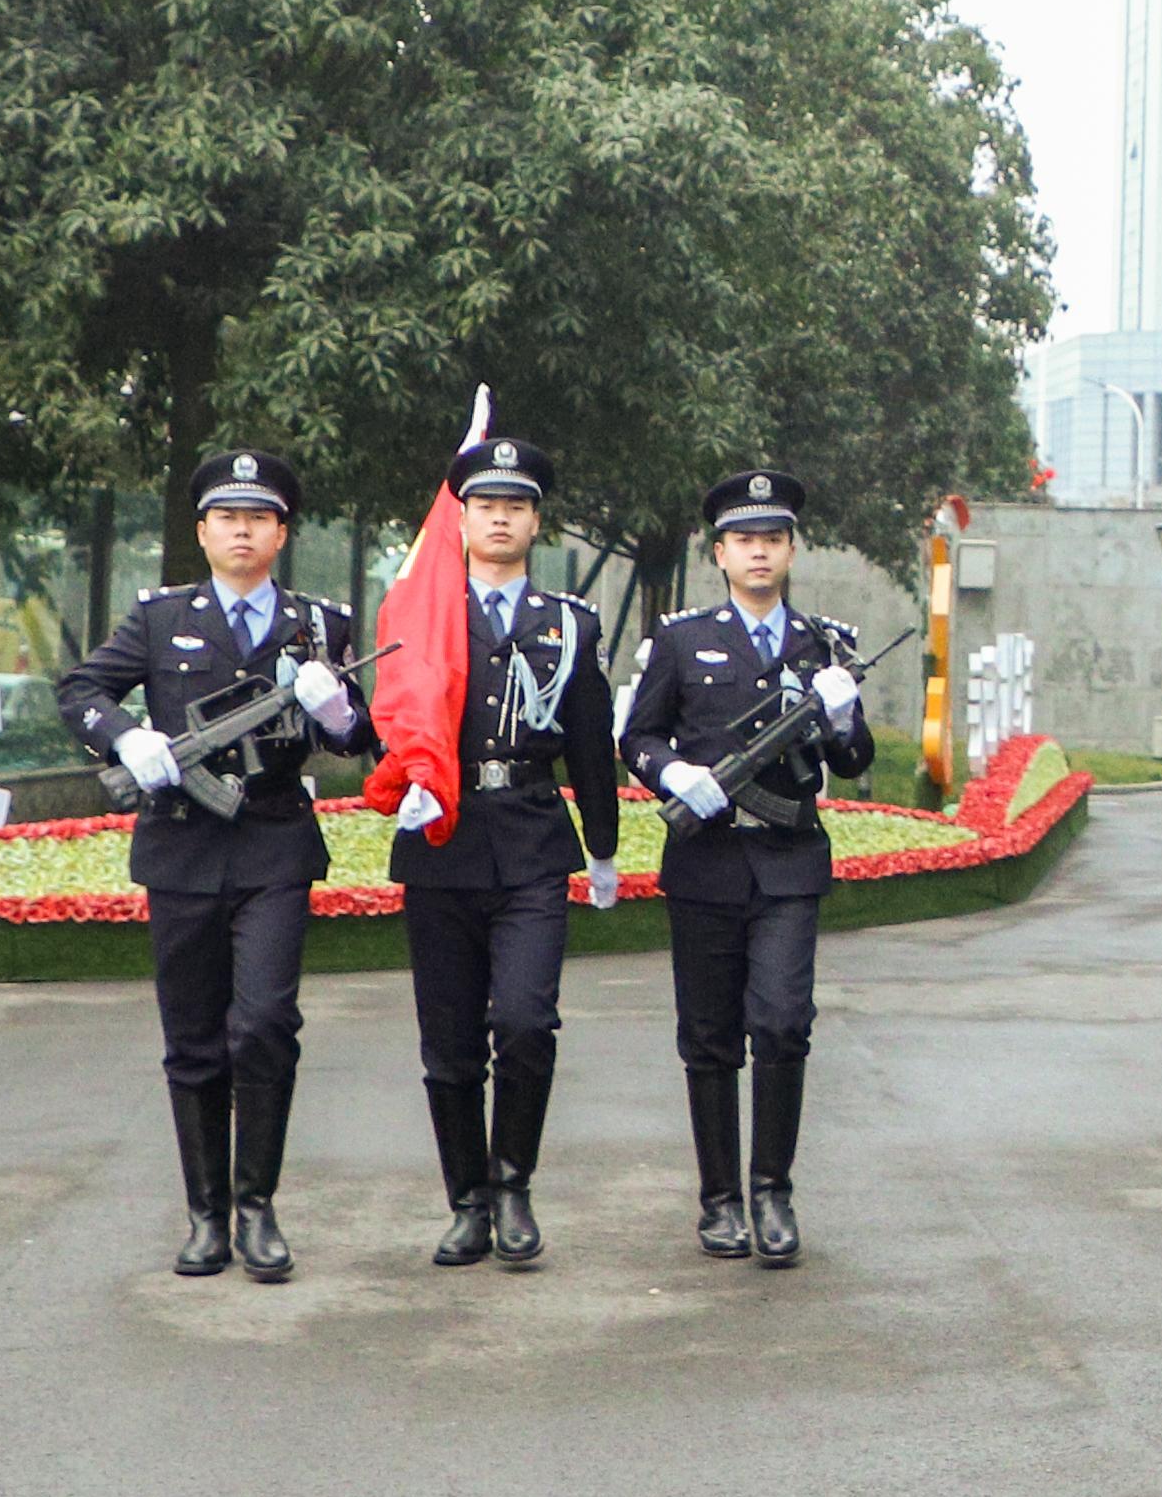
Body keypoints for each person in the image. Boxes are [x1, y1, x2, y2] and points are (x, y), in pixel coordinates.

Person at [60, 446, 378, 1285]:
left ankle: (257, 1206)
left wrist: (338, 708)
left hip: (273, 839)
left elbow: (360, 739)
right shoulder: (162, 619)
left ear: (281, 533)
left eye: (260, 518)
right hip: (182, 845)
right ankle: (204, 1213)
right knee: (194, 1037)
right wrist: (127, 736)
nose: (244, 531)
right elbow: (81, 689)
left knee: (266, 1024)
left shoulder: (320, 624)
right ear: (202, 532)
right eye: (228, 518)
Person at [372, 395, 623, 1272]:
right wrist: (399, 776)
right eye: (485, 504)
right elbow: (390, 719)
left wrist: (603, 845)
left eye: (517, 506)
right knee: (447, 1040)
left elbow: (592, 742)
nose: (502, 517)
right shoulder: (417, 616)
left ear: (535, 521)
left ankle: (513, 1182)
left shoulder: (570, 622)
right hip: (442, 837)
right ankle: (466, 1202)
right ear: (464, 519)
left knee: (523, 1021)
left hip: (529, 837)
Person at [618, 466, 870, 1267]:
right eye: (743, 541)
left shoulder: (823, 644)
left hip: (789, 864)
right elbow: (638, 739)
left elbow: (857, 757)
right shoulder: (682, 641)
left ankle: (773, 1189)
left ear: (791, 550)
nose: (758, 553)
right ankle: (720, 1200)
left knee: (784, 1022)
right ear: (719, 554)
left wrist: (839, 716)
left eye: (773, 539)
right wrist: (672, 774)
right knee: (710, 1036)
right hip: (707, 866)